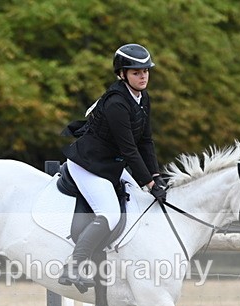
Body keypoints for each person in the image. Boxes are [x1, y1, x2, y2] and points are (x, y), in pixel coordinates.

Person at [58, 43, 166, 291]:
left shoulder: (142, 98)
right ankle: (74, 264)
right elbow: (129, 149)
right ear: (122, 74)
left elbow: (146, 141)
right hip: (89, 166)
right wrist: (148, 182)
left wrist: (156, 175)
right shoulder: (117, 102)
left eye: (145, 71)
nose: (143, 76)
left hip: (112, 165)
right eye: (136, 72)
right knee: (110, 213)